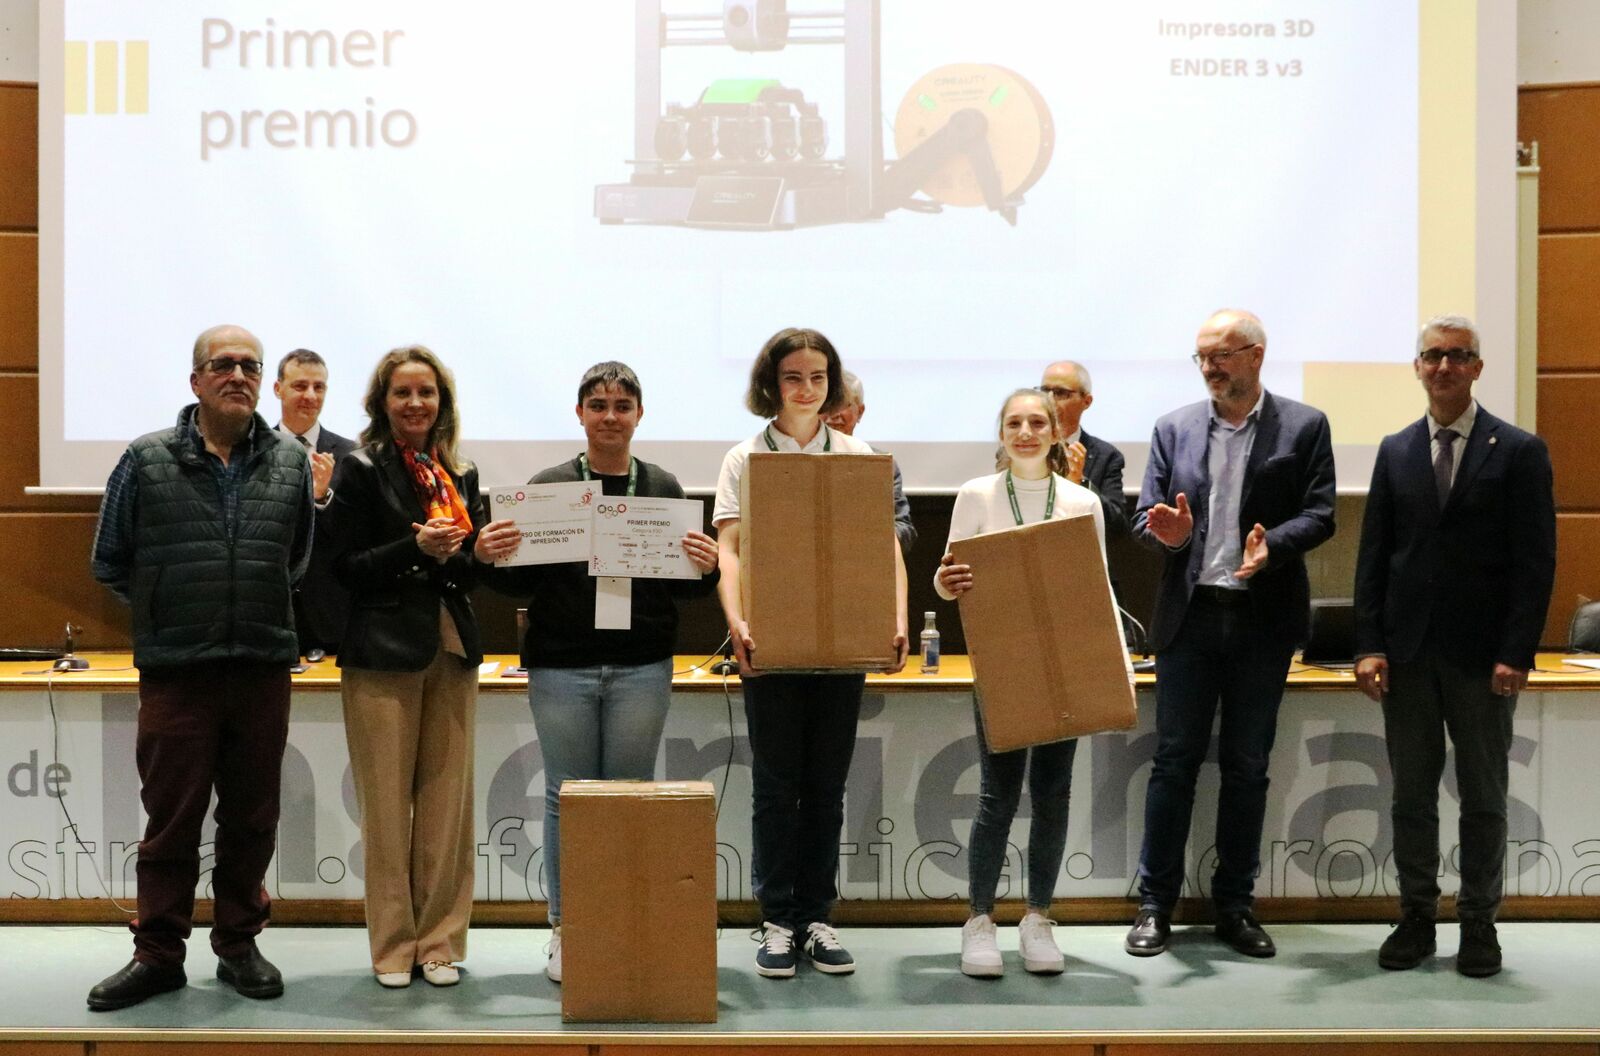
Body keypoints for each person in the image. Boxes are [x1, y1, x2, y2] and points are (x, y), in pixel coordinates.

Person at [87, 324, 314, 1011]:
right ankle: (157, 954)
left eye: (251, 365)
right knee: (171, 820)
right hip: (177, 669)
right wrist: (169, 606)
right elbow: (110, 558)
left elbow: (294, 560)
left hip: (261, 667)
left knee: (252, 818)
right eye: (223, 364)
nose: (238, 374)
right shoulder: (146, 459)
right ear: (196, 381)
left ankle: (238, 945)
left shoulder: (291, 461)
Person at [481, 361, 720, 984]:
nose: (609, 416)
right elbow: (519, 581)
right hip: (563, 667)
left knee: (630, 797)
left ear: (639, 415)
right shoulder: (553, 485)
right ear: (579, 414)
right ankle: (567, 927)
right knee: (568, 798)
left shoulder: (663, 486)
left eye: (621, 405)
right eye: (598, 405)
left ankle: (620, 919)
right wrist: (494, 555)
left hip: (642, 666)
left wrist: (709, 565)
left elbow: (688, 592)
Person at [1126, 308, 1336, 959]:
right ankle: (1154, 906)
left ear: (1255, 354)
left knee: (1247, 767)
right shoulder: (1173, 428)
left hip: (1261, 622)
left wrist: (1271, 546)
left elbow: (1323, 511)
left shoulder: (1303, 426)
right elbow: (1146, 517)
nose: (1211, 367)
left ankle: (1234, 907)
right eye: (1202, 358)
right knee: (1174, 763)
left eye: (1221, 354)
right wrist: (1173, 536)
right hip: (1189, 621)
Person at [1354, 315, 1556, 978]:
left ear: (1477, 367)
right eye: (1432, 356)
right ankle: (1416, 917)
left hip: (1483, 659)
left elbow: (1535, 563)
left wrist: (1516, 652)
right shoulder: (1394, 450)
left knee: (1484, 797)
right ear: (1417, 367)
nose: (1443, 367)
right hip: (1407, 657)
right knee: (1410, 796)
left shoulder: (1519, 450)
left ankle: (1479, 924)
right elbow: (1375, 558)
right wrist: (1370, 645)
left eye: (1458, 356)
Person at [713, 327, 910, 979]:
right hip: (772, 641)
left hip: (842, 644)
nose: (806, 388)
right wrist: (736, 622)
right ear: (772, 383)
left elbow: (885, 549)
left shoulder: (857, 454)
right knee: (774, 787)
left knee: (826, 787)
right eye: (794, 376)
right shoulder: (745, 457)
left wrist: (897, 619)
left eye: (818, 377)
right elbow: (731, 549)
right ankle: (775, 921)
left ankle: (817, 916)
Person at [323, 345, 514, 989]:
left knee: (446, 808)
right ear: (382, 403)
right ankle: (392, 948)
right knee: (385, 808)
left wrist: (480, 553)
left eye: (426, 393)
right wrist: (415, 547)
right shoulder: (359, 471)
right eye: (402, 393)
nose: (415, 404)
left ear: (442, 402)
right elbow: (343, 568)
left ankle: (438, 944)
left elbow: (459, 571)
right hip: (382, 652)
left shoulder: (458, 474)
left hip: (451, 648)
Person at [935, 388, 1130, 977]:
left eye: (1037, 422)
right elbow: (947, 583)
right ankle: (979, 921)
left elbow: (1099, 590)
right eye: (1015, 422)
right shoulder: (976, 495)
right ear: (1001, 431)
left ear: (1056, 432)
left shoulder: (1081, 501)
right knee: (997, 795)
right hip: (1003, 661)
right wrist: (949, 582)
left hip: (1066, 659)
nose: (1026, 431)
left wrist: (1114, 660)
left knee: (1053, 793)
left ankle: (1039, 917)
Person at [273, 347, 356, 660]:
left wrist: (321, 498)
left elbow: (353, 536)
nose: (310, 395)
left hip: (331, 616)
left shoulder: (351, 456)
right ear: (278, 388)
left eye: (318, 387)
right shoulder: (253, 449)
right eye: (300, 386)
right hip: (271, 613)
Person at [824, 370, 918, 558]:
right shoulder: (797, 460)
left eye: (843, 404)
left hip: (866, 566)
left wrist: (870, 541)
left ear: (860, 411)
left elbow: (904, 528)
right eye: (827, 405)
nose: (834, 415)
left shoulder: (880, 463)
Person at [1039, 360, 1128, 538]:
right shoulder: (1022, 449)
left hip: (1079, 555)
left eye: (1060, 393)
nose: (1049, 400)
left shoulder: (1107, 456)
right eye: (1043, 391)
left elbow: (1118, 526)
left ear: (1086, 401)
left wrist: (1081, 483)